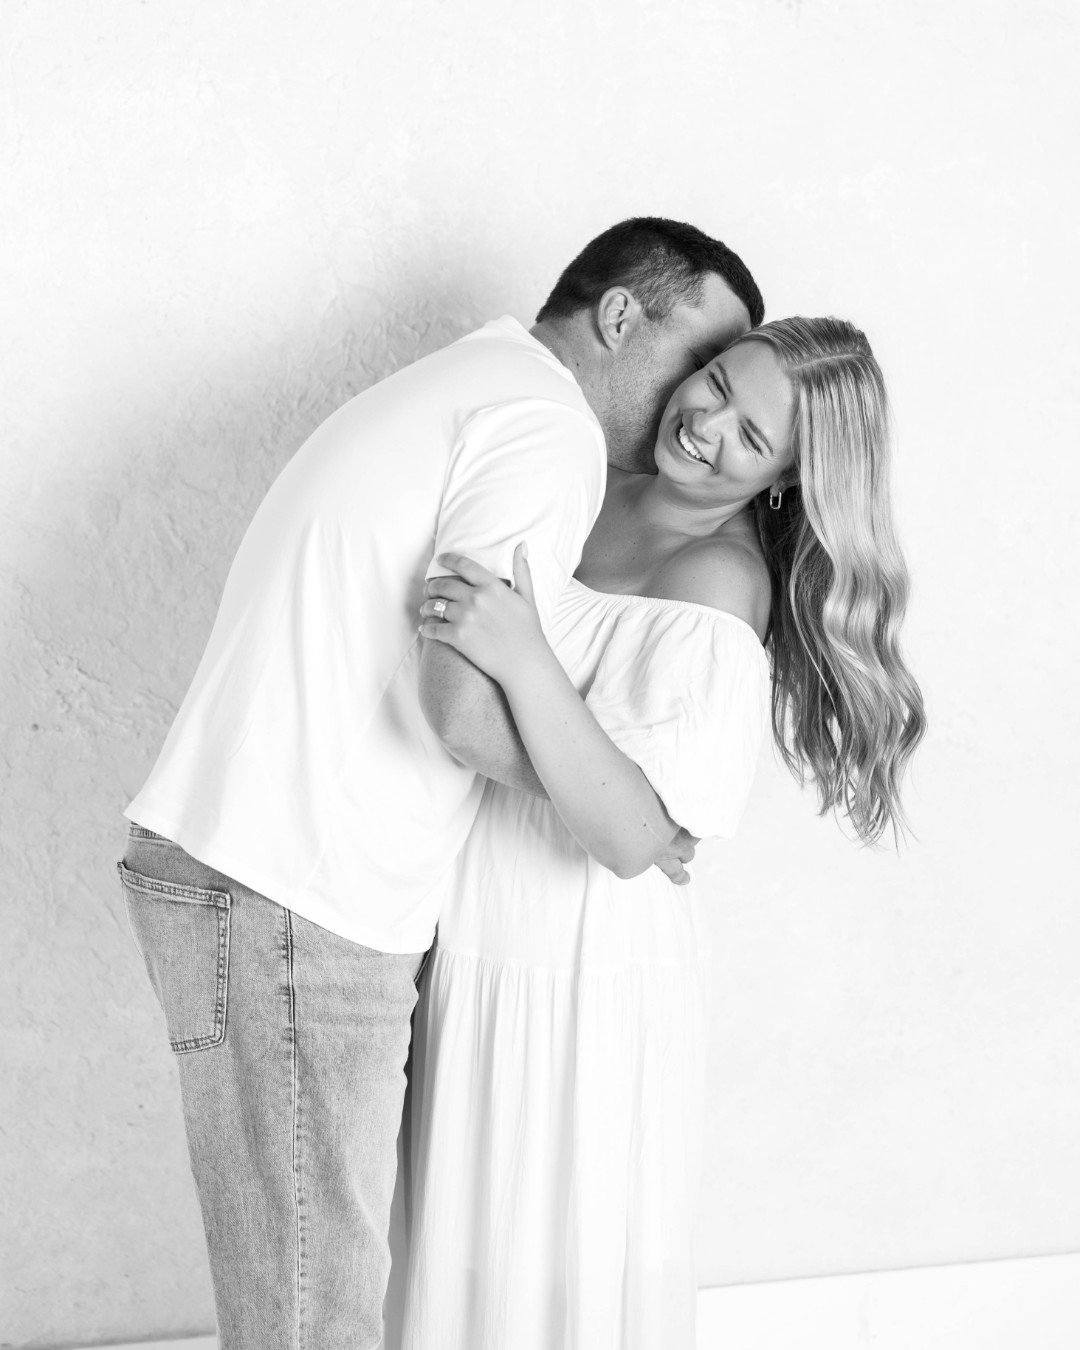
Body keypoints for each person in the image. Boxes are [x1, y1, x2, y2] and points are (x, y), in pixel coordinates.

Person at [114, 218, 765, 1349]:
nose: (687, 416)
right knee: (312, 1315)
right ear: (621, 317)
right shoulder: (548, 428)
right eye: (697, 369)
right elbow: (461, 704)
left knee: (304, 1297)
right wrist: (627, 817)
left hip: (261, 878)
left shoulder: (478, 379)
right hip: (295, 896)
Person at [397, 316, 927, 1348]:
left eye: (753, 434)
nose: (709, 425)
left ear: (782, 479)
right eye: (719, 385)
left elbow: (630, 838)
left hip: (579, 969)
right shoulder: (586, 474)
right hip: (471, 923)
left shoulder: (720, 581)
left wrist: (522, 655)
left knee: (543, 1269)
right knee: (444, 1249)